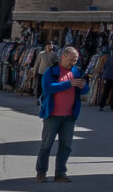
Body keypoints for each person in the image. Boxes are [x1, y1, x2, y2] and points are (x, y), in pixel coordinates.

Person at [34, 46, 83, 183]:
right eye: (71, 60)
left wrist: (82, 86)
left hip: (70, 116)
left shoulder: (76, 72)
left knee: (66, 146)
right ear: (63, 57)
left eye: (75, 60)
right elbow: (48, 88)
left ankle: (60, 173)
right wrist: (69, 84)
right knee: (46, 145)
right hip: (53, 115)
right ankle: (41, 172)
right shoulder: (51, 71)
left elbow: (84, 90)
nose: (73, 63)